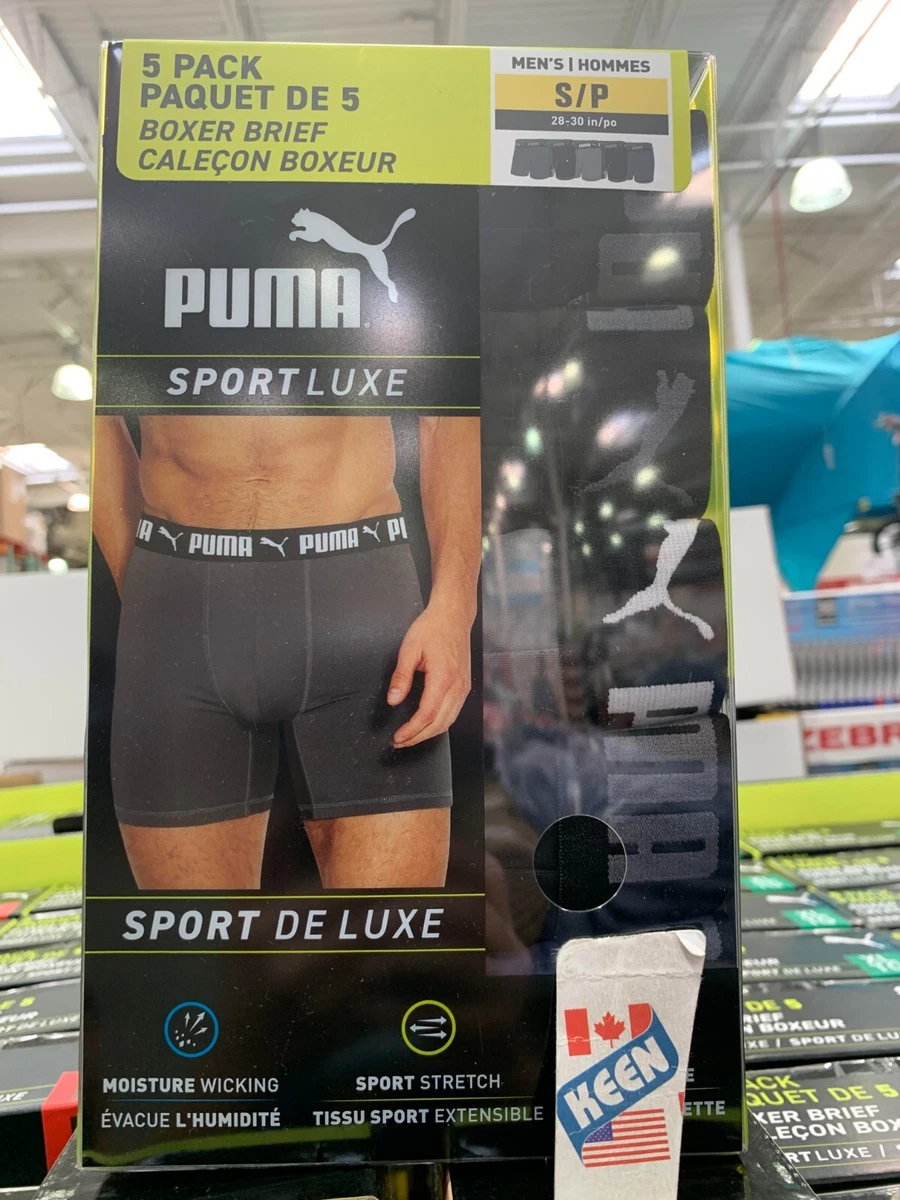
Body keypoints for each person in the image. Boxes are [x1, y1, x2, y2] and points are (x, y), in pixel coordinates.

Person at [93, 413, 480, 891]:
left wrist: (456, 608)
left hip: (362, 598)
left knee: (389, 934)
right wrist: (148, 600)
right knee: (199, 938)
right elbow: (99, 415)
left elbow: (446, 416)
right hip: (177, 595)